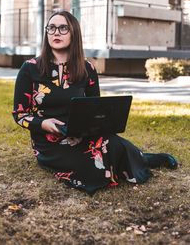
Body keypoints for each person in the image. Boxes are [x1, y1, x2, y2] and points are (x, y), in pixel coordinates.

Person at [12, 10, 178, 195]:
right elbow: (20, 115)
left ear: (74, 33)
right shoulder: (29, 69)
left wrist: (97, 123)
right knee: (92, 162)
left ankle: (144, 158)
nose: (56, 32)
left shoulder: (87, 68)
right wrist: (44, 124)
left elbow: (96, 110)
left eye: (63, 28)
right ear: (46, 33)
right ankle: (132, 159)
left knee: (112, 142)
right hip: (49, 144)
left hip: (81, 135)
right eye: (51, 28)